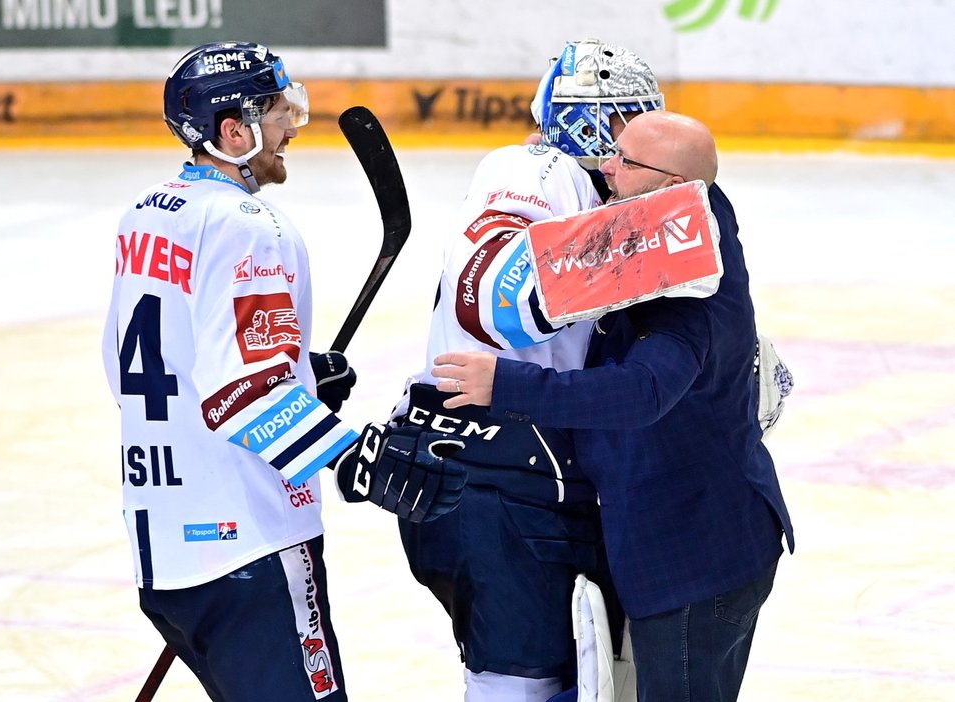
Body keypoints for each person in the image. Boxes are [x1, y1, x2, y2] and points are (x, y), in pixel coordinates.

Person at [101, 41, 464, 702]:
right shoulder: (248, 226)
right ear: (231, 132)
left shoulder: (148, 214)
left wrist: (298, 378)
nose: (291, 124)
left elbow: (154, 366)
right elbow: (244, 395)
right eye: (274, 111)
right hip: (250, 548)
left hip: (166, 552)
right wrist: (356, 456)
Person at [432, 110, 796, 702]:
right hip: (674, 535)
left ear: (674, 189)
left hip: (697, 560)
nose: (607, 167)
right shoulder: (689, 210)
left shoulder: (692, 288)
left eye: (625, 162)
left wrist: (509, 385)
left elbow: (643, 392)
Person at [389, 39, 664, 701]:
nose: (641, 140)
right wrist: (642, 256)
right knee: (519, 687)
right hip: (488, 472)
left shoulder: (596, 195)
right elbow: (492, 296)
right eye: (629, 121)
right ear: (589, 123)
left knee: (566, 680)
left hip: (515, 471)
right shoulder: (535, 168)